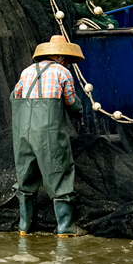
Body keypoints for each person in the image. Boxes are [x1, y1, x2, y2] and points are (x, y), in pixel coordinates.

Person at [11, 34, 84, 237]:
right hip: (49, 132)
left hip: (23, 132)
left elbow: (15, 96)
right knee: (59, 172)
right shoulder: (62, 72)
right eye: (67, 59)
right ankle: (65, 227)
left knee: (26, 175)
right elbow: (71, 102)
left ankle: (24, 227)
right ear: (60, 57)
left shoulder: (26, 72)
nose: (68, 63)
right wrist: (79, 111)